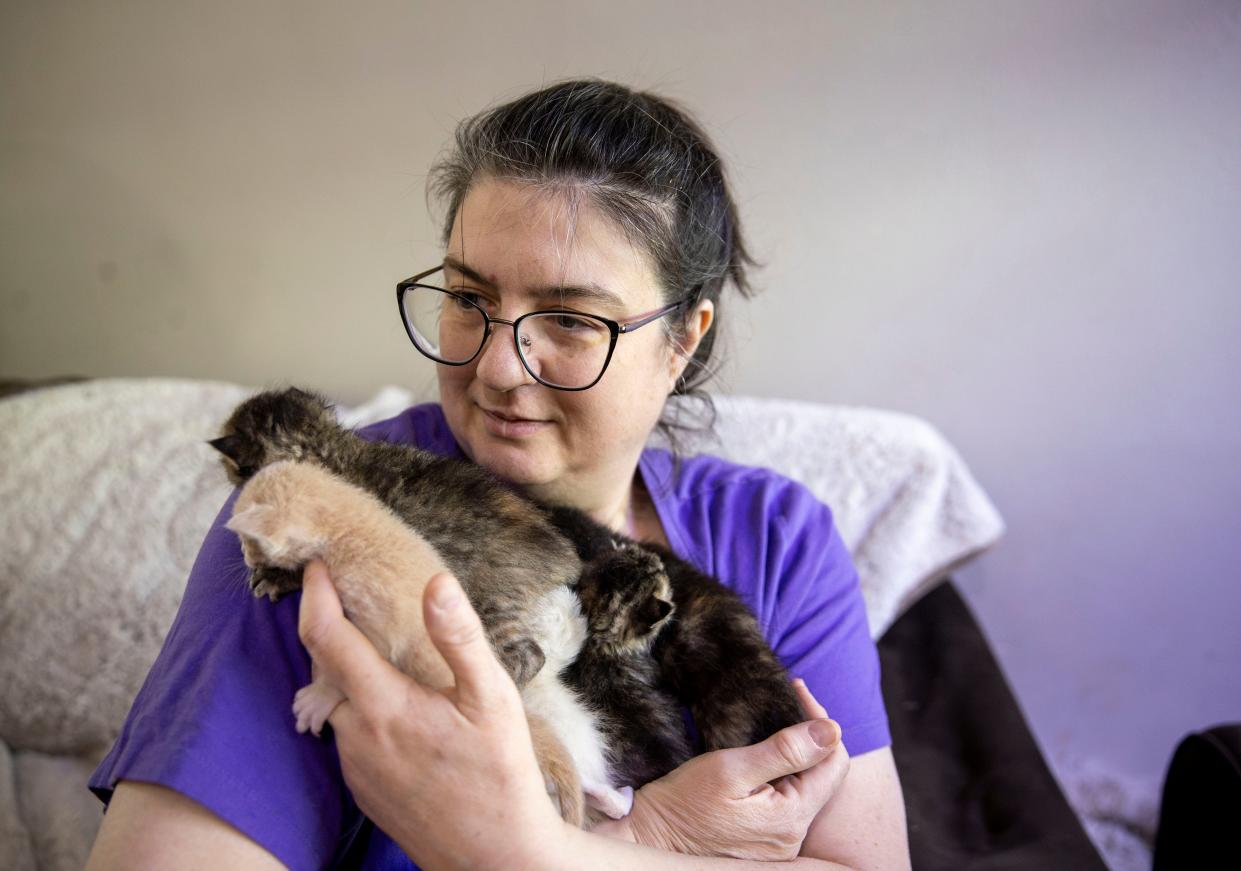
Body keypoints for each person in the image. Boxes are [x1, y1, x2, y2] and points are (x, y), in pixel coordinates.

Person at [86, 78, 911, 869]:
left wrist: (525, 852)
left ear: (682, 339)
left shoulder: (773, 539)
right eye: (469, 299)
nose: (496, 368)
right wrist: (639, 844)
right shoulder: (323, 516)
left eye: (568, 319)